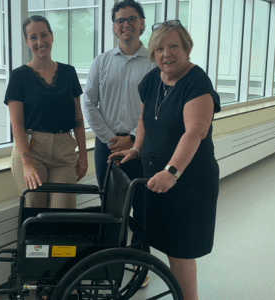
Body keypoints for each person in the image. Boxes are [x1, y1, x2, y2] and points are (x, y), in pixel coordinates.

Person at [109, 20, 221, 300]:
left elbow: (196, 131)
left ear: (187, 48)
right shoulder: (152, 79)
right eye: (159, 48)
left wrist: (171, 172)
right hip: (156, 179)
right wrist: (136, 148)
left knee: (180, 251)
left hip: (187, 182)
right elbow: (143, 119)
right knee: (164, 241)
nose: (166, 54)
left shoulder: (197, 82)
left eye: (173, 46)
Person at [83, 0, 155, 257]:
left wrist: (134, 139)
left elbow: (157, 108)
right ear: (114, 27)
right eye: (120, 21)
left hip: (142, 148)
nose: (126, 25)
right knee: (110, 206)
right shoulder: (101, 62)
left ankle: (139, 260)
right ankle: (111, 259)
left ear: (142, 23)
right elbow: (89, 102)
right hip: (108, 148)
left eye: (132, 19)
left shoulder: (154, 63)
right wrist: (111, 138)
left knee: (143, 206)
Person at [4, 15, 87, 208]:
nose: (40, 42)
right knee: (36, 215)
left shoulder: (69, 72)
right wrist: (27, 164)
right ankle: (38, 241)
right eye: (33, 37)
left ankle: (59, 240)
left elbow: (78, 118)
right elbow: (16, 124)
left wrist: (82, 154)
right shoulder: (19, 76)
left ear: (51, 36)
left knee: (63, 216)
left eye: (44, 35)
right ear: (27, 42)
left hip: (64, 151)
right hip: (33, 151)